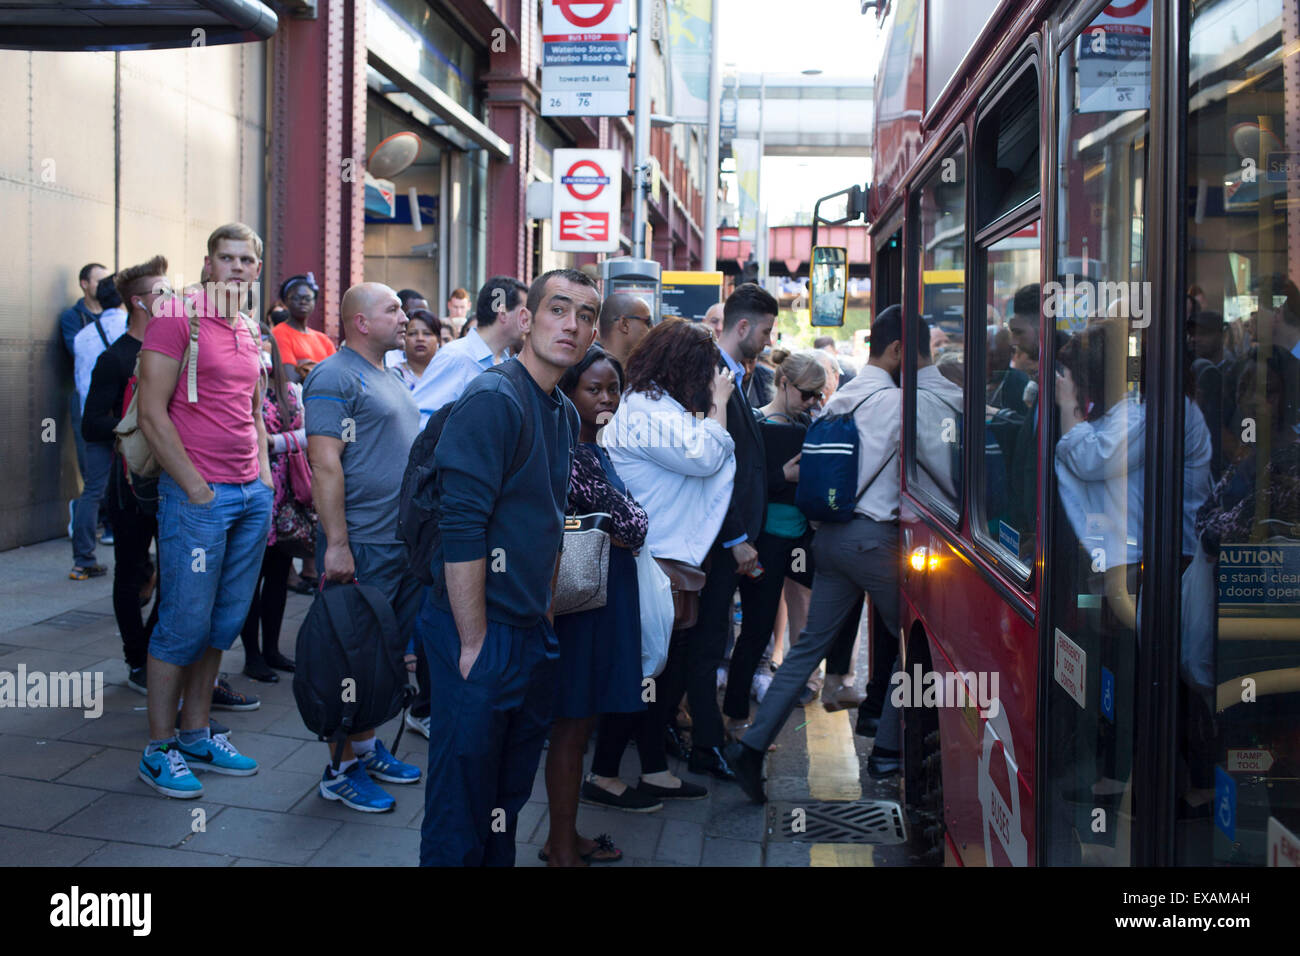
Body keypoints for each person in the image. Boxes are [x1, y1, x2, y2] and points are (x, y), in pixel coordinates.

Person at [417, 268, 597, 867]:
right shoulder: (494, 398)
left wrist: (543, 617)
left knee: (506, 796)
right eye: (559, 309)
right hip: (479, 631)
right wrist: (473, 643)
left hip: (529, 632)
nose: (573, 324)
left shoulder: (563, 414)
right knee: (460, 800)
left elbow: (547, 524)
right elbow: (461, 528)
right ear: (525, 319)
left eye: (587, 315)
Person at [728, 307, 906, 803]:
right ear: (897, 351)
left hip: (829, 540)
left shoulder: (842, 397)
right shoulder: (896, 402)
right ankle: (889, 750)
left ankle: (751, 747)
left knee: (805, 652)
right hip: (874, 540)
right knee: (913, 646)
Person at [135, 222, 273, 799]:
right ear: (209, 264)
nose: (237, 267)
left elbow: (255, 413)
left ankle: (196, 733)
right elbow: (151, 414)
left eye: (246, 259)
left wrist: (263, 482)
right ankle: (158, 749)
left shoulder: (247, 326)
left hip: (249, 496)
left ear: (256, 270)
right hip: (200, 498)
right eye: (226, 257)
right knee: (183, 626)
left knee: (222, 623)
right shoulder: (176, 317)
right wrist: (194, 488)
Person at [604, 317, 735, 799]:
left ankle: (652, 768)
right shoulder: (647, 409)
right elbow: (704, 456)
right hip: (650, 561)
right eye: (705, 370)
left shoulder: (656, 405)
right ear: (685, 367)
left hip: (662, 561)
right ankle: (605, 775)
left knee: (661, 671)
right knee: (646, 671)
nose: (709, 380)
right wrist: (719, 404)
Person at [305, 282, 424, 812]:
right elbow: (324, 463)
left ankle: (367, 747)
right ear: (360, 322)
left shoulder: (389, 373)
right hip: (361, 544)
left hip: (396, 542)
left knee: (379, 660)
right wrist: (337, 545)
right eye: (393, 309)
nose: (405, 317)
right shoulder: (333, 375)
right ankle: (340, 770)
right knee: (347, 660)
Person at [543, 346, 658, 866]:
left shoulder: (594, 446)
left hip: (599, 601)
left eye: (614, 388)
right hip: (581, 608)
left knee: (580, 726)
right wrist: (626, 521)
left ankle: (564, 837)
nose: (607, 397)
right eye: (594, 388)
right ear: (568, 393)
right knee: (571, 727)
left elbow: (626, 526)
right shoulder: (574, 451)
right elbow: (632, 525)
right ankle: (561, 845)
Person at [670, 283, 777, 781]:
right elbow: (716, 468)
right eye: (766, 331)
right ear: (742, 328)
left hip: (728, 538)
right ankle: (704, 745)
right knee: (705, 641)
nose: (770, 341)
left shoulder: (737, 375)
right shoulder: (710, 377)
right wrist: (736, 540)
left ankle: (689, 733)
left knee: (709, 638)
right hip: (716, 540)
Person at [722, 350, 826, 736]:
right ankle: (736, 717)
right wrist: (781, 477)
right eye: (807, 394)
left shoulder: (812, 426)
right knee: (756, 629)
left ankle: (773, 711)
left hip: (801, 541)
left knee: (812, 624)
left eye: (819, 395)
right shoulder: (753, 424)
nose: (813, 402)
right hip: (763, 542)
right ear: (784, 383)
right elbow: (736, 486)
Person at [81, 256, 172, 693]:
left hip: (175, 479)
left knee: (176, 571)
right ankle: (137, 660)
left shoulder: (175, 351)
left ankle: (155, 648)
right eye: (162, 292)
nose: (171, 298)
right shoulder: (114, 359)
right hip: (131, 483)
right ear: (139, 303)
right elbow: (90, 422)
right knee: (130, 570)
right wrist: (137, 425)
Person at [238, 329, 310, 682]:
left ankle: (272, 649)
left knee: (279, 576)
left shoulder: (291, 391)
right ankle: (252, 655)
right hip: (251, 492)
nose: (262, 358)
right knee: (251, 579)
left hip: (287, 496)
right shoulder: (235, 392)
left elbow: (309, 434)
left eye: (266, 351)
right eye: (256, 350)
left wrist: (275, 443)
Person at [69, 275, 128, 579]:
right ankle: (134, 561)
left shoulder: (82, 336)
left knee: (92, 489)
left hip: (93, 422)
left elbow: (81, 384)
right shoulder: (133, 329)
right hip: (128, 423)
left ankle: (83, 559)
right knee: (134, 487)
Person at [411, 276, 528, 427]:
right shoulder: (456, 357)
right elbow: (419, 420)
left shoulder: (508, 362)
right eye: (523, 312)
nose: (528, 319)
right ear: (503, 313)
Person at [61, 261, 110, 527]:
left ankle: (102, 518)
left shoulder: (115, 316)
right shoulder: (73, 318)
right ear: (84, 284)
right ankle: (83, 511)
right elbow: (78, 353)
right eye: (98, 281)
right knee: (91, 466)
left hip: (111, 399)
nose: (103, 286)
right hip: (85, 398)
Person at [271, 273, 335, 384]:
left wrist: (305, 368)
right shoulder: (279, 333)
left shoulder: (323, 339)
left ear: (314, 301)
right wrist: (322, 369)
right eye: (296, 298)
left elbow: (337, 376)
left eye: (308, 298)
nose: (303, 302)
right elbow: (290, 378)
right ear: (285, 302)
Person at [594, 293, 653, 371]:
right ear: (624, 324)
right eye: (648, 322)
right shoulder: (588, 371)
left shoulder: (641, 372)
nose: (652, 328)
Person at [394, 309, 441, 388]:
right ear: (404, 337)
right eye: (412, 334)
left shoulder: (446, 372)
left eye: (427, 333)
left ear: (438, 339)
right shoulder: (395, 376)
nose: (420, 338)